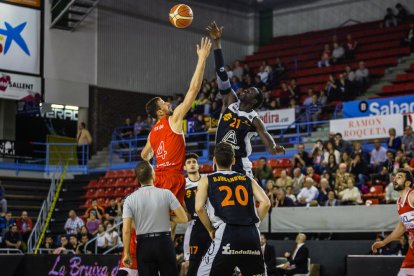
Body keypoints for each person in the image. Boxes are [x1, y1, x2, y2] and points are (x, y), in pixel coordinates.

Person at [141, 37, 211, 210]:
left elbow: (144, 155)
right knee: (172, 221)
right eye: (164, 103)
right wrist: (202, 58)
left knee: (163, 220)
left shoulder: (152, 133)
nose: (168, 104)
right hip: (173, 176)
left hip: (157, 177)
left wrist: (156, 159)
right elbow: (193, 90)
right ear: (159, 112)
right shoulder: (173, 119)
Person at [207, 21, 284, 177]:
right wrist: (216, 43)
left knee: (245, 202)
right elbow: (222, 75)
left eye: (249, 91)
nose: (245, 90)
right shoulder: (230, 100)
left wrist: (274, 148)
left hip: (239, 163)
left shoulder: (254, 119)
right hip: (219, 162)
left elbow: (268, 142)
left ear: (254, 101)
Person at [195, 142, 270, 275]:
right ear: (233, 160)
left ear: (214, 160)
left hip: (227, 231)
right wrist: (255, 223)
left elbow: (199, 208)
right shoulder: (247, 178)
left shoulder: (207, 179)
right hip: (251, 234)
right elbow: (265, 202)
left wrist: (210, 229)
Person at [122, 161, 188, 276]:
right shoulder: (166, 193)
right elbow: (183, 218)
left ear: (137, 179)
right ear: (153, 175)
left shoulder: (129, 199)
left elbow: (127, 230)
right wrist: (167, 217)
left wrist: (126, 253)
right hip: (164, 243)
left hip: (143, 244)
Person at [372, 169, 414, 275]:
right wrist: (384, 242)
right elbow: (401, 226)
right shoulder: (399, 201)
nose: (395, 179)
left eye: (399, 177)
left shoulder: (412, 195)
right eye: (395, 177)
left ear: (408, 183)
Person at [182, 153, 211, 276]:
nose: (192, 164)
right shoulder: (183, 184)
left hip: (212, 222)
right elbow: (182, 205)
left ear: (198, 165)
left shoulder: (207, 179)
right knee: (193, 263)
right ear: (184, 167)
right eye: (189, 162)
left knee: (214, 261)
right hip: (195, 225)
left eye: (194, 162)